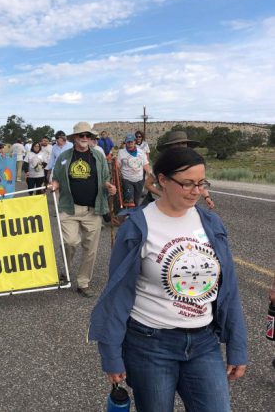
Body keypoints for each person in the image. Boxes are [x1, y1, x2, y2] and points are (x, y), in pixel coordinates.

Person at [89, 147, 247, 412]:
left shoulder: (211, 224)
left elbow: (228, 290)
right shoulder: (137, 226)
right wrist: (111, 354)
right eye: (187, 183)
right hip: (149, 345)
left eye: (201, 183)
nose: (196, 191)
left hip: (204, 343)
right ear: (162, 180)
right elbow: (117, 295)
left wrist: (237, 345)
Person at [50, 122, 117, 296]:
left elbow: (104, 178)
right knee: (70, 242)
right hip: (69, 207)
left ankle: (83, 282)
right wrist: (54, 186)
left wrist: (109, 186)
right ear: (74, 138)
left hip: (93, 209)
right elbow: (56, 178)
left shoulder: (98, 156)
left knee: (91, 248)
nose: (85, 139)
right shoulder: (64, 157)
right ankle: (65, 271)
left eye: (88, 136)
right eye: (81, 136)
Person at [145, 131, 214, 209]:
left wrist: (207, 197)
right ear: (171, 146)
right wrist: (162, 194)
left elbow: (199, 183)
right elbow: (148, 184)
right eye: (177, 143)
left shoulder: (192, 163)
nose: (181, 146)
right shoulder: (163, 164)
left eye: (183, 143)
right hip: (167, 205)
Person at [117, 133, 150, 208]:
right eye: (128, 142)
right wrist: (115, 165)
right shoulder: (121, 152)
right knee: (129, 200)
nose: (130, 144)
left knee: (136, 200)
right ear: (125, 143)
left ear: (135, 142)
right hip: (127, 179)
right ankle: (129, 214)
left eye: (131, 142)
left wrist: (150, 174)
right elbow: (118, 165)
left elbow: (145, 164)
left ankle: (134, 214)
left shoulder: (141, 152)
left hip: (139, 180)